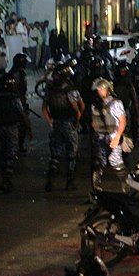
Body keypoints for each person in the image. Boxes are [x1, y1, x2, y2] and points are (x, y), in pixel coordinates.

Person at [43, 63, 84, 191]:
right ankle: (69, 181)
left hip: (56, 123)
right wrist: (77, 123)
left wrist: (51, 121)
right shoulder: (70, 89)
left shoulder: (50, 89)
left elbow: (44, 108)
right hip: (68, 123)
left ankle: (50, 179)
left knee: (55, 154)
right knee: (71, 153)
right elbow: (78, 108)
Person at [0, 74, 31, 193]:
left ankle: (5, 176)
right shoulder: (14, 98)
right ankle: (7, 179)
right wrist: (28, 127)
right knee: (10, 153)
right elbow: (22, 114)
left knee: (3, 153)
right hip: (11, 128)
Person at [89, 78, 128, 193]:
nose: (100, 91)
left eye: (102, 88)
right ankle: (95, 189)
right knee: (97, 163)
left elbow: (122, 121)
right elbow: (92, 121)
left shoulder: (115, 103)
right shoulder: (95, 104)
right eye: (98, 89)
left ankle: (125, 184)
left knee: (116, 162)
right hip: (99, 137)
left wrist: (117, 137)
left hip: (113, 135)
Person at [7, 52, 30, 153]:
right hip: (18, 100)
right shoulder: (20, 74)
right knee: (23, 123)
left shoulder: (11, 72)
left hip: (12, 100)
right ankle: (19, 145)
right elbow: (19, 89)